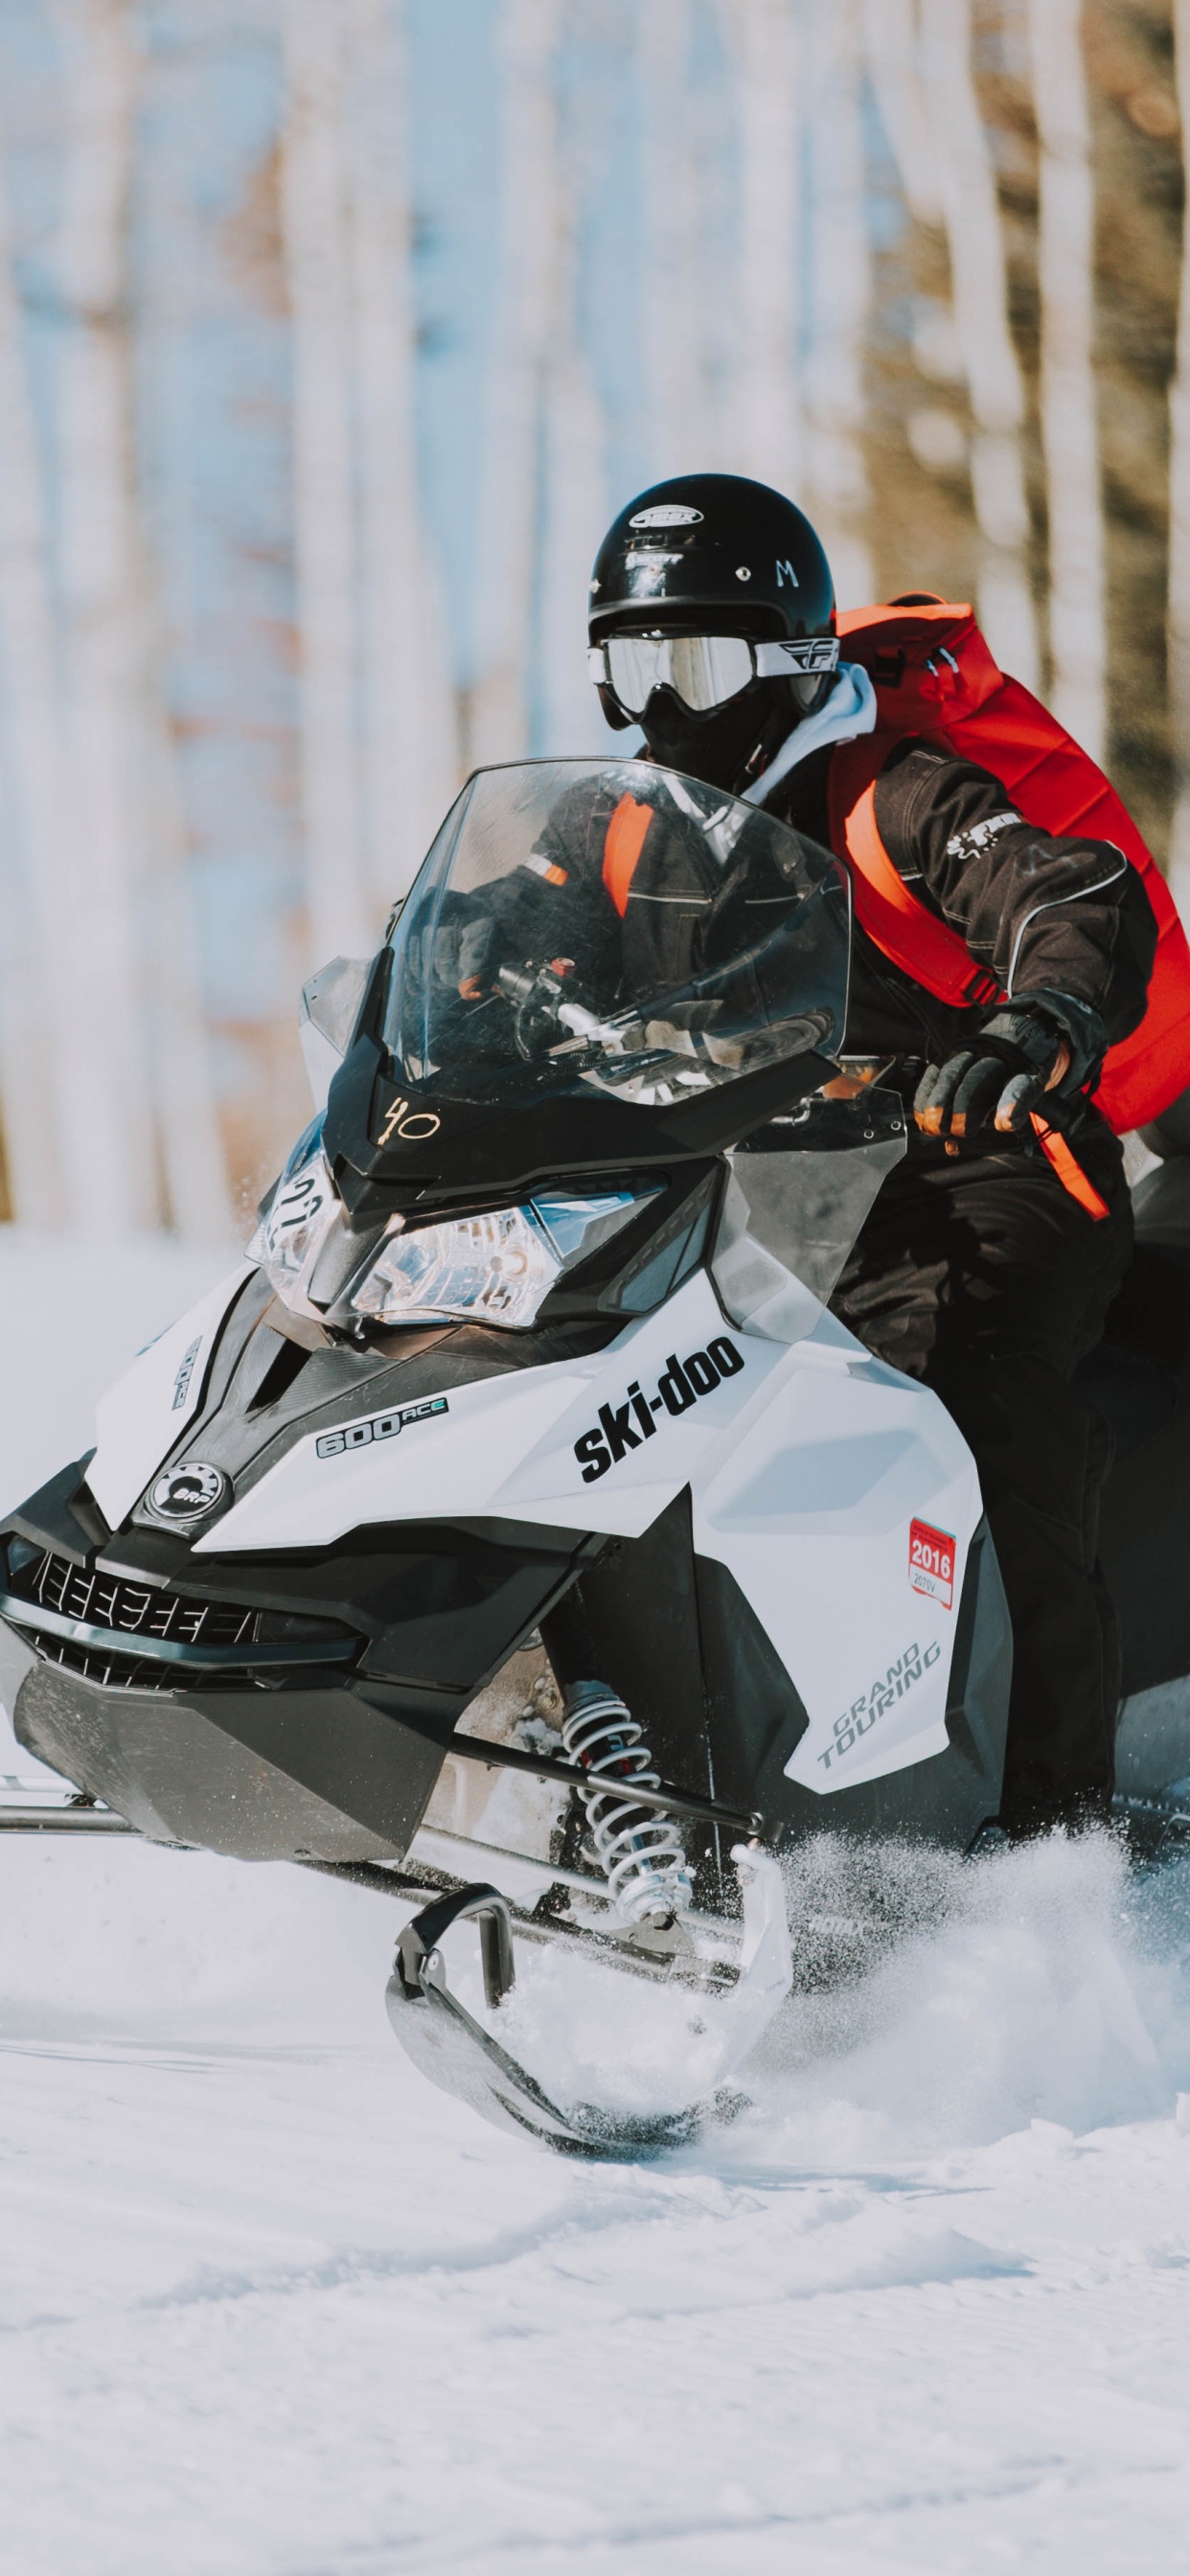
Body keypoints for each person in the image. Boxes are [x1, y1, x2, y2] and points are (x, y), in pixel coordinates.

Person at [582, 471, 1161, 1838]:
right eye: (630, 666)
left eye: (693, 666)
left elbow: (1063, 892)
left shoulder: (892, 793)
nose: (662, 706)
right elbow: (507, 940)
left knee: (965, 1419)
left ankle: (1046, 1835)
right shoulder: (627, 836)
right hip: (766, 1205)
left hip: (985, 1170)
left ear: (785, 662)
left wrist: (1039, 1019)